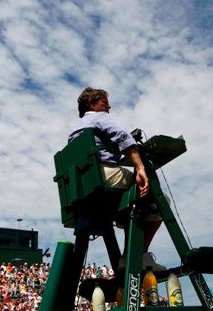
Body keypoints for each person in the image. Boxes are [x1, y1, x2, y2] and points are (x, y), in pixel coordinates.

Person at [68, 87, 166, 271]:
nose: (109, 107)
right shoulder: (99, 117)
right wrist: (140, 167)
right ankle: (139, 254)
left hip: (83, 187)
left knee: (133, 199)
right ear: (92, 103)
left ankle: (127, 252)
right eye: (104, 103)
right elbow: (123, 136)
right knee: (158, 196)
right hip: (103, 176)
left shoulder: (74, 129)